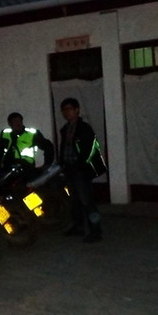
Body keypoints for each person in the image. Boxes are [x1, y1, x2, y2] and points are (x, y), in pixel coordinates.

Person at [58, 98, 104, 243]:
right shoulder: (66, 128)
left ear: (77, 110)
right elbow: (65, 148)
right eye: (64, 110)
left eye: (70, 109)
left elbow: (89, 149)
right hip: (70, 168)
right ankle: (78, 227)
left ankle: (96, 231)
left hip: (81, 170)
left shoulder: (84, 128)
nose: (67, 112)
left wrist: (81, 165)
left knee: (87, 201)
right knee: (75, 200)